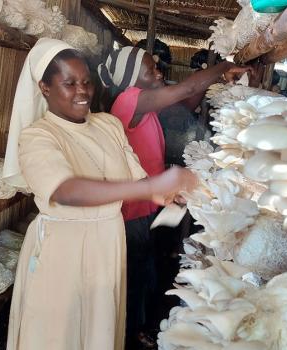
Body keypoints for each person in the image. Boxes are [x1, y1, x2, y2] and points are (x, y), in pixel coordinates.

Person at [2, 38, 197, 350]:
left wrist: (166, 194)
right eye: (69, 83)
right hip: (63, 251)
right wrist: (150, 188)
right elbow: (64, 190)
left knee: (99, 331)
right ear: (45, 88)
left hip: (108, 243)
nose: (82, 91)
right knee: (58, 334)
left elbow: (137, 178)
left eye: (86, 82)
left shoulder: (108, 125)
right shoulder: (37, 136)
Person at [97, 46, 250, 348]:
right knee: (135, 277)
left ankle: (137, 329)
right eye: (149, 69)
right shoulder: (129, 101)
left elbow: (187, 98)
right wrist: (223, 67)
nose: (158, 72)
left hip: (148, 205)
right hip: (132, 213)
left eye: (155, 66)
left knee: (146, 271)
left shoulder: (143, 104)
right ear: (129, 79)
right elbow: (189, 87)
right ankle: (126, 336)